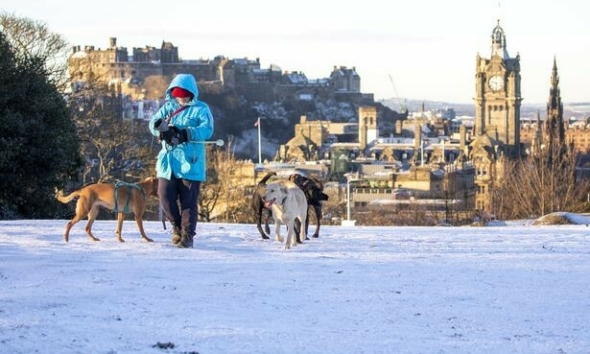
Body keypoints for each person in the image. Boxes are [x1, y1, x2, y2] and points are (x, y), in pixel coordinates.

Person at [149, 74, 214, 248]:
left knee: (188, 201)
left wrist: (185, 133)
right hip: (168, 162)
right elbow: (153, 123)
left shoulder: (201, 109)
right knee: (165, 196)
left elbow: (207, 129)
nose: (181, 98)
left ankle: (187, 235)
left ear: (192, 93)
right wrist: (162, 131)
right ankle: (176, 226)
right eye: (178, 94)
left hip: (190, 162)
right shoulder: (168, 108)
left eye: (184, 94)